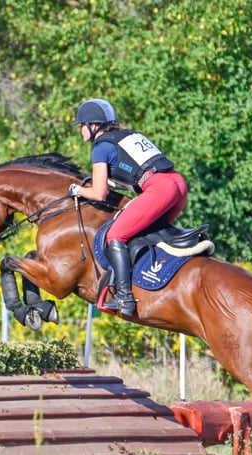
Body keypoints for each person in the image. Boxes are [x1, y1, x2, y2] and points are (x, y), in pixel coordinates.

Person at [68, 98, 189, 316]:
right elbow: (133, 174)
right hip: (178, 185)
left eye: (81, 126)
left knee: (115, 235)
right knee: (142, 233)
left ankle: (124, 298)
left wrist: (77, 190)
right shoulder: (129, 135)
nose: (81, 131)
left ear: (93, 126)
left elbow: (98, 193)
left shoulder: (101, 147)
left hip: (159, 189)